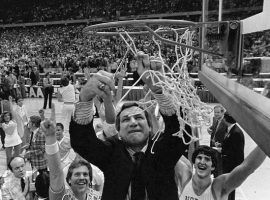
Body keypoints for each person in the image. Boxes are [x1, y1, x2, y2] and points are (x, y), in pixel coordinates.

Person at [69, 52, 188, 200]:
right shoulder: (111, 152)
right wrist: (85, 98)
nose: (133, 122)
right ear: (118, 130)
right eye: (125, 120)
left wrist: (160, 91)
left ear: (150, 126)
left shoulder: (163, 149)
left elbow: (182, 132)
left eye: (139, 117)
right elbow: (82, 142)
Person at [175, 144, 266, 200]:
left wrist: (266, 139)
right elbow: (167, 153)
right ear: (194, 163)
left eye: (207, 159)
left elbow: (247, 168)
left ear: (213, 167)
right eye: (199, 158)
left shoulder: (218, 186)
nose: (202, 162)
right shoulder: (185, 176)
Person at [41, 119, 101, 200]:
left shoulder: (97, 197)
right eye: (77, 174)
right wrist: (50, 137)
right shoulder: (64, 198)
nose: (82, 177)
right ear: (69, 180)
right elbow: (56, 174)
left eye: (85, 174)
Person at [218, 112, 245, 200]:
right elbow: (230, 146)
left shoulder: (236, 133)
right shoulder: (231, 129)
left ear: (226, 120)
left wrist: (222, 150)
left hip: (231, 165)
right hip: (228, 164)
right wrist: (222, 146)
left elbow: (237, 152)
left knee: (229, 188)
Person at [0, 97, 22, 165]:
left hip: (16, 140)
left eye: (8, 116)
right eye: (5, 116)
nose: (7, 117)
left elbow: (12, 110)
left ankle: (17, 169)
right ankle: (8, 170)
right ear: (3, 118)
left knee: (17, 157)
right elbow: (9, 131)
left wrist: (10, 102)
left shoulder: (13, 120)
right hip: (8, 142)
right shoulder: (2, 124)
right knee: (8, 157)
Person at [207, 104, 227, 177]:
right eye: (215, 112)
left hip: (219, 147)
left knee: (219, 165)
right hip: (212, 145)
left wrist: (221, 146)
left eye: (218, 112)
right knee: (213, 162)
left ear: (222, 113)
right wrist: (209, 128)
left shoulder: (226, 123)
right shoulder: (214, 119)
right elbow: (213, 126)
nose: (216, 114)